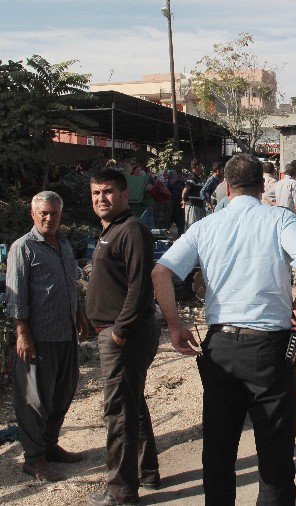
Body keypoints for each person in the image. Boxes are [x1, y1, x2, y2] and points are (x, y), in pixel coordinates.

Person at [152, 154, 296, 505]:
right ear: (263, 186)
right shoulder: (279, 219)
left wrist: (175, 325)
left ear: (227, 186)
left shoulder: (205, 227)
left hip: (221, 349)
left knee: (218, 451)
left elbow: (161, 273)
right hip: (269, 350)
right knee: (274, 453)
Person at [86, 169, 160, 506]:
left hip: (125, 336)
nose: (101, 199)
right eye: (96, 193)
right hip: (115, 332)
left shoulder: (131, 230)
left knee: (118, 413)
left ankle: (121, 492)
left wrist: (119, 331)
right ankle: (146, 472)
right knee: (132, 404)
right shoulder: (111, 230)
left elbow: (141, 286)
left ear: (123, 193)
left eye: (108, 192)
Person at [6, 191, 87, 482]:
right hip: (38, 338)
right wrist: (22, 332)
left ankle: (49, 446)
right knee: (35, 400)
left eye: (53, 213)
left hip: (65, 334)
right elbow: (16, 297)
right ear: (33, 214)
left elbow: (70, 283)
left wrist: (79, 314)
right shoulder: (23, 248)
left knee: (63, 392)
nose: (49, 218)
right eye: (43, 213)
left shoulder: (63, 244)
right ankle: (33, 458)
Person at [266, 163, 296, 231]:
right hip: (290, 216)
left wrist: (277, 205)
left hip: (280, 215)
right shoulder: (293, 183)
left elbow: (266, 196)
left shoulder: (278, 183)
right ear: (295, 173)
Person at [182, 159, 205, 231]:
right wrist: (184, 201)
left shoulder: (198, 178)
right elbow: (184, 192)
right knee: (192, 229)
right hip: (193, 207)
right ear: (197, 166)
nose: (202, 167)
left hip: (198, 207)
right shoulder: (192, 177)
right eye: (201, 166)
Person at [166, 169, 186, 236]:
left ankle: (181, 235)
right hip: (170, 204)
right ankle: (165, 235)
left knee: (180, 221)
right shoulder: (168, 182)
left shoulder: (181, 182)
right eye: (173, 174)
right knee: (168, 221)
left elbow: (184, 191)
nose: (175, 175)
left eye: (175, 174)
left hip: (179, 204)